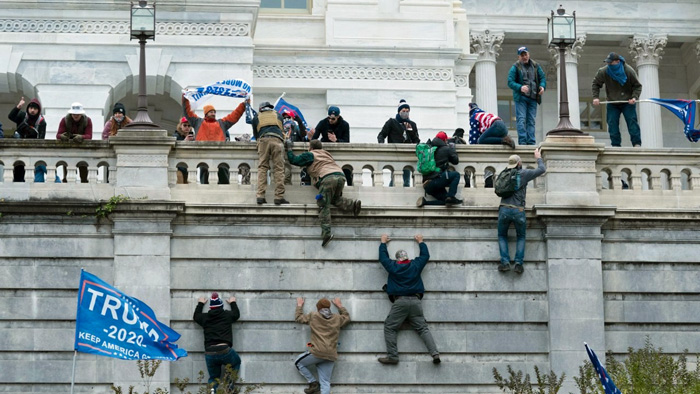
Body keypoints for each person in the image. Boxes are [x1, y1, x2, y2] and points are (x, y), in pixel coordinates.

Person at [377, 233, 440, 365]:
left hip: (400, 302)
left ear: (398, 260)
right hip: (416, 302)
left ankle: (393, 356)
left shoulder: (393, 267)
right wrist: (421, 242)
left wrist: (383, 243)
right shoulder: (415, 265)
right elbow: (425, 256)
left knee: (390, 327)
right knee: (423, 329)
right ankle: (434, 353)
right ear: (407, 258)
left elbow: (383, 258)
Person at [286, 139, 361, 246]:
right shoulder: (327, 154)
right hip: (340, 176)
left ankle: (326, 234)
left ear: (311, 148)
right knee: (334, 199)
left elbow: (294, 160)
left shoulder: (311, 154)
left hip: (328, 178)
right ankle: (353, 205)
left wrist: (289, 148)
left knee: (323, 204)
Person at [497, 149, 546, 274]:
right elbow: (541, 170)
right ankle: (518, 264)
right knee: (521, 236)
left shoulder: (504, 173)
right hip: (518, 209)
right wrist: (538, 157)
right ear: (519, 163)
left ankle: (505, 262)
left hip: (503, 208)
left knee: (502, 236)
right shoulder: (523, 173)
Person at [182, 94, 246, 184]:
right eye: (211, 111)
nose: (213, 113)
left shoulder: (222, 123)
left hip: (220, 156)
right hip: (203, 157)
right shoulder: (198, 122)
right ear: (206, 113)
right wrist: (185, 99)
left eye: (214, 112)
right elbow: (187, 112)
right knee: (205, 181)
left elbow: (235, 115)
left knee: (224, 179)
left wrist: (243, 105)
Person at [294, 297, 350, 394]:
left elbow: (299, 318)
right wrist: (340, 306)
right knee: (325, 382)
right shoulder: (337, 318)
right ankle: (316, 385)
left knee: (298, 362)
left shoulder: (313, 316)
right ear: (329, 307)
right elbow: (347, 318)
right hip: (331, 355)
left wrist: (299, 305)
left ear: (318, 308)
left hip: (317, 352)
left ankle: (313, 383)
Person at [592, 52, 643, 147]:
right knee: (612, 124)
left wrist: (634, 97)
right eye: (608, 63)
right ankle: (615, 145)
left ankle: (636, 143)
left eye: (611, 63)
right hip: (612, 102)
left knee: (632, 122)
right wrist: (596, 97)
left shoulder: (628, 71)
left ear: (618, 62)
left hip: (627, 102)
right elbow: (596, 84)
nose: (609, 64)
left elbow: (637, 86)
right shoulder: (604, 71)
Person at [193, 292, 241, 391]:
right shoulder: (227, 315)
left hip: (210, 352)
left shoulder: (205, 317)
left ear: (211, 307)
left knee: (213, 378)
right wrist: (233, 302)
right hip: (224, 350)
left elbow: (196, 316)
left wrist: (200, 303)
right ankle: (228, 388)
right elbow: (236, 314)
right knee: (236, 362)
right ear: (221, 306)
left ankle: (212, 391)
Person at [251, 101, 288, 205]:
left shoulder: (257, 116)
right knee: (279, 169)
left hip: (263, 140)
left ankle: (260, 196)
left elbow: (256, 134)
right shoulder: (278, 115)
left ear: (261, 109)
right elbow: (281, 129)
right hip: (277, 140)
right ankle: (279, 197)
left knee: (263, 167)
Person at [507, 46, 546, 145]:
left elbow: (542, 78)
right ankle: (523, 142)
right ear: (518, 57)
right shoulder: (515, 67)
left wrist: (542, 86)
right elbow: (510, 82)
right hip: (521, 98)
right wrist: (520, 87)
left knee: (531, 120)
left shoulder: (536, 66)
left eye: (526, 54)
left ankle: (531, 142)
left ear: (529, 54)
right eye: (522, 55)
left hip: (533, 97)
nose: (524, 57)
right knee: (521, 119)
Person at [378, 99, 419, 186]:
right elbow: (382, 135)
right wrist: (382, 146)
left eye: (407, 111)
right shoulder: (392, 122)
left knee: (406, 179)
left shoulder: (412, 124)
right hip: (395, 153)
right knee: (396, 177)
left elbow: (416, 140)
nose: (406, 113)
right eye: (403, 111)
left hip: (407, 155)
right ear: (399, 111)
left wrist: (410, 130)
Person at [417, 132, 462, 207]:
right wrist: (452, 149)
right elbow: (455, 161)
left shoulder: (429, 149)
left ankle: (425, 202)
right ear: (444, 140)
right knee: (456, 175)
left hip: (427, 185)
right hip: (437, 180)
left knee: (445, 201)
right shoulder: (446, 149)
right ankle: (451, 196)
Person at [57, 102, 92, 183]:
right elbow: (58, 135)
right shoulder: (64, 120)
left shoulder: (87, 121)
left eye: (78, 114)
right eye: (74, 114)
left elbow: (89, 136)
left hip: (83, 151)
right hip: (68, 151)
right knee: (67, 176)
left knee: (84, 176)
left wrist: (81, 137)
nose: (76, 116)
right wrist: (62, 136)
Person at [173, 117, 194, 184]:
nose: (187, 127)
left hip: (189, 167)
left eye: (189, 125)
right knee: (180, 186)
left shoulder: (192, 136)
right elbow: (174, 146)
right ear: (180, 126)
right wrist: (185, 141)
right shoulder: (176, 136)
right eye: (185, 125)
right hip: (179, 167)